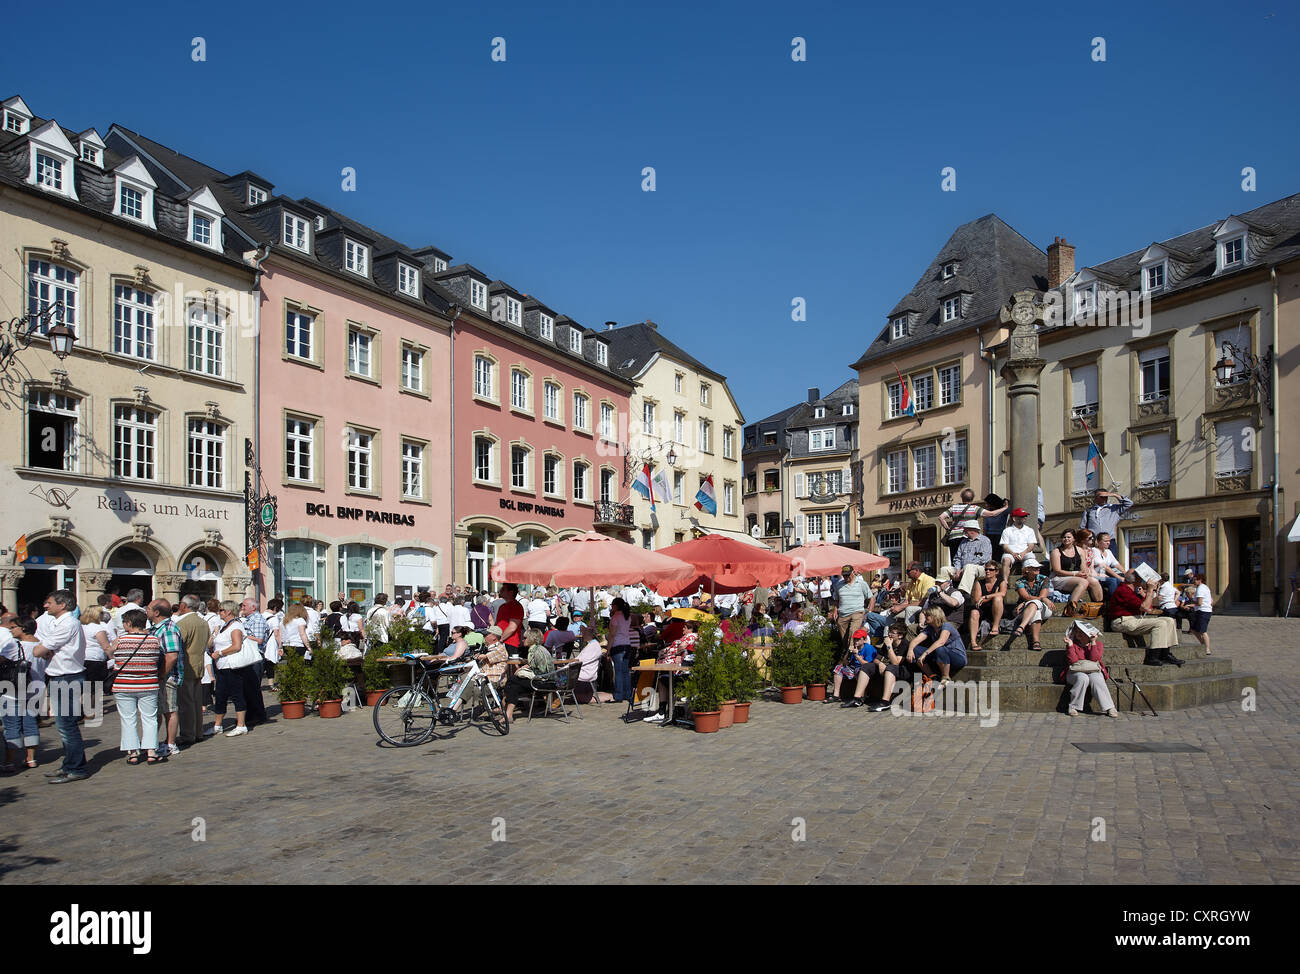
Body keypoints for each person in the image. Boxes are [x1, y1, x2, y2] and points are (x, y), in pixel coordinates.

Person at [30, 589, 88, 784]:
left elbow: (40, 650)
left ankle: (76, 767)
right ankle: (69, 764)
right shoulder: (62, 623)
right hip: (62, 676)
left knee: (67, 725)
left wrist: (43, 649)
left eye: (49, 602)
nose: (46, 605)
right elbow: (45, 648)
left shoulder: (68, 623)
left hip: (67, 677)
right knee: (64, 726)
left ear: (62, 605)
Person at [112, 609, 173, 764]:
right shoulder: (153, 640)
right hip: (148, 683)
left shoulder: (120, 640)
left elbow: (110, 654)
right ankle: (151, 752)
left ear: (129, 623)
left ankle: (133, 753)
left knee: (128, 719)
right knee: (150, 718)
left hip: (124, 685)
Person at [1109, 572, 1182, 668]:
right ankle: (1153, 656)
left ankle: (1165, 653)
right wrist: (1150, 590)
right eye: (1140, 577)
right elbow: (1146, 607)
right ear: (1136, 580)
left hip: (1134, 619)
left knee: (1169, 620)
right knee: (1160, 623)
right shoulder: (1123, 590)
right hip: (1123, 621)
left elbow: (1150, 606)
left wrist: (1145, 594)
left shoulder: (1133, 591)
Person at [1, 613, 44, 772]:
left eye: (14, 627)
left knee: (11, 724)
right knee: (30, 723)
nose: (11, 630)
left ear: (23, 628)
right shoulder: (42, 645)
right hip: (35, 688)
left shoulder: (13, 645)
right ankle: (31, 759)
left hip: (12, 689)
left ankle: (9, 761)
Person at [210, 600, 256, 736]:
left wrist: (220, 653)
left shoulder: (236, 626)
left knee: (237, 694)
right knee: (220, 695)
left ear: (228, 611)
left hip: (232, 666)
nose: (219, 613)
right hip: (222, 666)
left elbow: (237, 646)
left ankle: (241, 725)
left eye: (221, 610)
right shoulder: (225, 625)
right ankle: (217, 725)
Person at [146, 599, 183, 759]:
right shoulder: (157, 628)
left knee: (170, 710)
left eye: (148, 608)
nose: (145, 610)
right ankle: (155, 742)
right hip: (161, 676)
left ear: (156, 612)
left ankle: (170, 744)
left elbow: (172, 655)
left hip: (168, 677)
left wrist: (162, 674)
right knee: (160, 710)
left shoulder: (168, 628)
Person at [1058, 620, 1118, 718]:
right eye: (1077, 631)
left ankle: (1109, 707)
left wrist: (1093, 642)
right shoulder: (1073, 644)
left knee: (1097, 678)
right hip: (1075, 672)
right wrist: (1070, 646)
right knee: (1082, 678)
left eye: (1082, 632)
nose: (1079, 634)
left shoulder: (1098, 644)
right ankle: (1073, 706)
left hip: (1093, 670)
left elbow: (1094, 659)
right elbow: (1073, 661)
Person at [174, 595, 210, 748]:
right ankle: (197, 732)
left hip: (187, 665)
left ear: (184, 605)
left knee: (186, 702)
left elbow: (179, 644)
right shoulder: (203, 622)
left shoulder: (183, 623)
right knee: (196, 700)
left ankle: (188, 734)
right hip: (199, 663)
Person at [501, 628, 557, 724]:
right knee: (514, 685)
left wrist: (523, 670)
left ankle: (503, 709)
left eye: (525, 638)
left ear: (531, 639)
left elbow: (540, 672)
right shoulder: (540, 649)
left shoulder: (534, 651)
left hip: (544, 683)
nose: (523, 640)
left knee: (512, 680)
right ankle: (508, 714)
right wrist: (528, 666)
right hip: (549, 681)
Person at [938, 488, 1007, 563]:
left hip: (954, 537)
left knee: (955, 560)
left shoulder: (954, 507)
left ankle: (956, 573)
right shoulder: (974, 508)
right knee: (967, 559)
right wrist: (1004, 508)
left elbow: (941, 517)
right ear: (972, 498)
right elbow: (992, 514)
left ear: (961, 497)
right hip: (967, 536)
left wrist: (948, 528)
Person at [1002, 556, 1052, 652]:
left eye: (1038, 567)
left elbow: (1042, 595)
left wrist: (1027, 602)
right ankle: (1036, 642)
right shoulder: (1020, 581)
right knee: (1035, 606)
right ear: (1027, 570)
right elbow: (1027, 597)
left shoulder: (1044, 579)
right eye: (1035, 567)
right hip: (1028, 608)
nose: (1038, 569)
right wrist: (1037, 599)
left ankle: (1022, 627)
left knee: (1035, 603)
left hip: (1044, 608)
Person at [906, 607, 967, 683]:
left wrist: (925, 653)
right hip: (940, 656)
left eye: (927, 615)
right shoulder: (930, 628)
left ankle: (945, 677)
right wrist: (910, 650)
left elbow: (941, 642)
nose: (925, 617)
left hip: (957, 657)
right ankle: (932, 676)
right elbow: (915, 641)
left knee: (940, 648)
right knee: (916, 650)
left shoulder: (947, 626)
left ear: (935, 616)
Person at [1050, 529, 1102, 609]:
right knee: (1083, 582)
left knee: (1094, 581)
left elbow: (1083, 568)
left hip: (1076, 575)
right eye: (1064, 537)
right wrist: (1075, 574)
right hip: (1058, 578)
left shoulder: (1080, 550)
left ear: (1074, 539)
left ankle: (1099, 607)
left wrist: (1085, 573)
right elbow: (1057, 571)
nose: (1066, 539)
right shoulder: (1056, 552)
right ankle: (1071, 608)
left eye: (1068, 537)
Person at [237, 599, 269, 726]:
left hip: (255, 657)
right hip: (248, 657)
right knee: (247, 688)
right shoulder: (249, 619)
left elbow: (259, 640)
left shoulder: (258, 620)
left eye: (244, 605)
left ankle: (258, 715)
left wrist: (242, 636)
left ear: (253, 607)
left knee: (253, 688)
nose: (242, 607)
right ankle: (250, 715)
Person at [79, 604, 114, 721]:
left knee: (86, 686)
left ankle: (86, 710)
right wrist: (113, 656)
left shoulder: (82, 626)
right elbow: (106, 646)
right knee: (95, 687)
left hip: (83, 657)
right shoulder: (98, 628)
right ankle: (91, 711)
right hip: (96, 659)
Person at [829, 564, 875, 647]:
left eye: (847, 575)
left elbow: (871, 598)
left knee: (853, 633)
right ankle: (849, 651)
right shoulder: (839, 585)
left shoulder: (861, 583)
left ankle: (850, 653)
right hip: (843, 613)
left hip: (857, 612)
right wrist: (835, 610)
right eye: (844, 575)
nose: (846, 577)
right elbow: (836, 600)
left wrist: (870, 612)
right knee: (845, 639)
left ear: (853, 573)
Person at [968, 562, 1006, 652]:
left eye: (991, 569)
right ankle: (973, 642)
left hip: (995, 608)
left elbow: (1003, 593)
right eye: (986, 569)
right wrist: (994, 594)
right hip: (982, 608)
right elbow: (978, 600)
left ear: (996, 571)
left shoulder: (1001, 581)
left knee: (998, 599)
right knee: (974, 612)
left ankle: (995, 627)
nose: (987, 571)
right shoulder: (980, 582)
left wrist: (987, 596)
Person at [831, 629, 875, 706]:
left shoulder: (869, 648)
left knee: (860, 671)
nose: (856, 641)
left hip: (864, 670)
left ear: (864, 640)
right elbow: (845, 662)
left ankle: (862, 697)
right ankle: (836, 695)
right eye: (855, 639)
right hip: (853, 668)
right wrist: (848, 652)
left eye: (858, 639)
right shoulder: (854, 648)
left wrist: (857, 656)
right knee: (839, 668)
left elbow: (867, 664)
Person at [999, 508, 1041, 582]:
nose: (1024, 518)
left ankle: (1033, 581)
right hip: (1010, 553)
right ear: (1014, 518)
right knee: (1006, 560)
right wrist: (1013, 553)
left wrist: (1023, 553)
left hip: (1025, 552)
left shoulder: (1029, 530)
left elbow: (1031, 545)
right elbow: (1004, 545)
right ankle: (1005, 582)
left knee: (1031, 560)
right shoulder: (1007, 531)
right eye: (1021, 517)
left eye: (1024, 516)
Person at [891, 562, 936, 626]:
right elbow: (907, 600)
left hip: (924, 607)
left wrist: (901, 607)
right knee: (891, 612)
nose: (906, 573)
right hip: (911, 606)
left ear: (916, 570)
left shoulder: (928, 580)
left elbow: (924, 602)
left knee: (910, 609)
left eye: (908, 571)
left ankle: (909, 632)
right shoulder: (911, 582)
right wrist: (897, 607)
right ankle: (888, 634)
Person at [951, 520, 992, 589]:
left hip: (981, 568)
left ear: (972, 530)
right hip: (962, 569)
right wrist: (958, 569)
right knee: (945, 570)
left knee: (968, 567)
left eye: (965, 530)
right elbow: (957, 558)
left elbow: (985, 558)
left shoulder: (984, 541)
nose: (964, 532)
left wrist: (964, 568)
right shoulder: (963, 542)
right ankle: (938, 593)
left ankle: (964, 592)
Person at [608, 597, 634, 703]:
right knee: (625, 671)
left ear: (615, 606)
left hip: (617, 645)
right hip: (627, 645)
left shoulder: (615, 617)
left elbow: (612, 634)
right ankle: (627, 694)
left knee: (618, 671)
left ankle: (618, 695)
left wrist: (608, 649)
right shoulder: (627, 616)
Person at [493, 584, 524, 655]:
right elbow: (497, 624)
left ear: (511, 592)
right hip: (500, 641)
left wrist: (501, 639)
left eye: (503, 589)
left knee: (511, 664)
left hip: (510, 642)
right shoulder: (502, 606)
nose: (500, 591)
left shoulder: (516, 606)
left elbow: (512, 627)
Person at [1187, 573, 1214, 657]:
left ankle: (1207, 648)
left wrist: (1192, 602)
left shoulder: (1201, 589)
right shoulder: (1204, 587)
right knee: (1194, 629)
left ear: (1200, 580)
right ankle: (1203, 644)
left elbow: (1199, 602)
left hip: (1203, 611)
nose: (1194, 581)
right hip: (1203, 610)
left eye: (1195, 579)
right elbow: (1211, 600)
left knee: (1203, 631)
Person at [1092, 532, 1125, 599]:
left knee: (1122, 581)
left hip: (1106, 575)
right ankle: (1113, 601)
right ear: (1098, 542)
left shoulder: (1108, 551)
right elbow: (1105, 567)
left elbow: (1116, 564)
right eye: (1105, 541)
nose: (1108, 543)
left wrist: (1126, 574)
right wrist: (1119, 577)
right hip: (1097, 576)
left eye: (1109, 541)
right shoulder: (1095, 550)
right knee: (1113, 580)